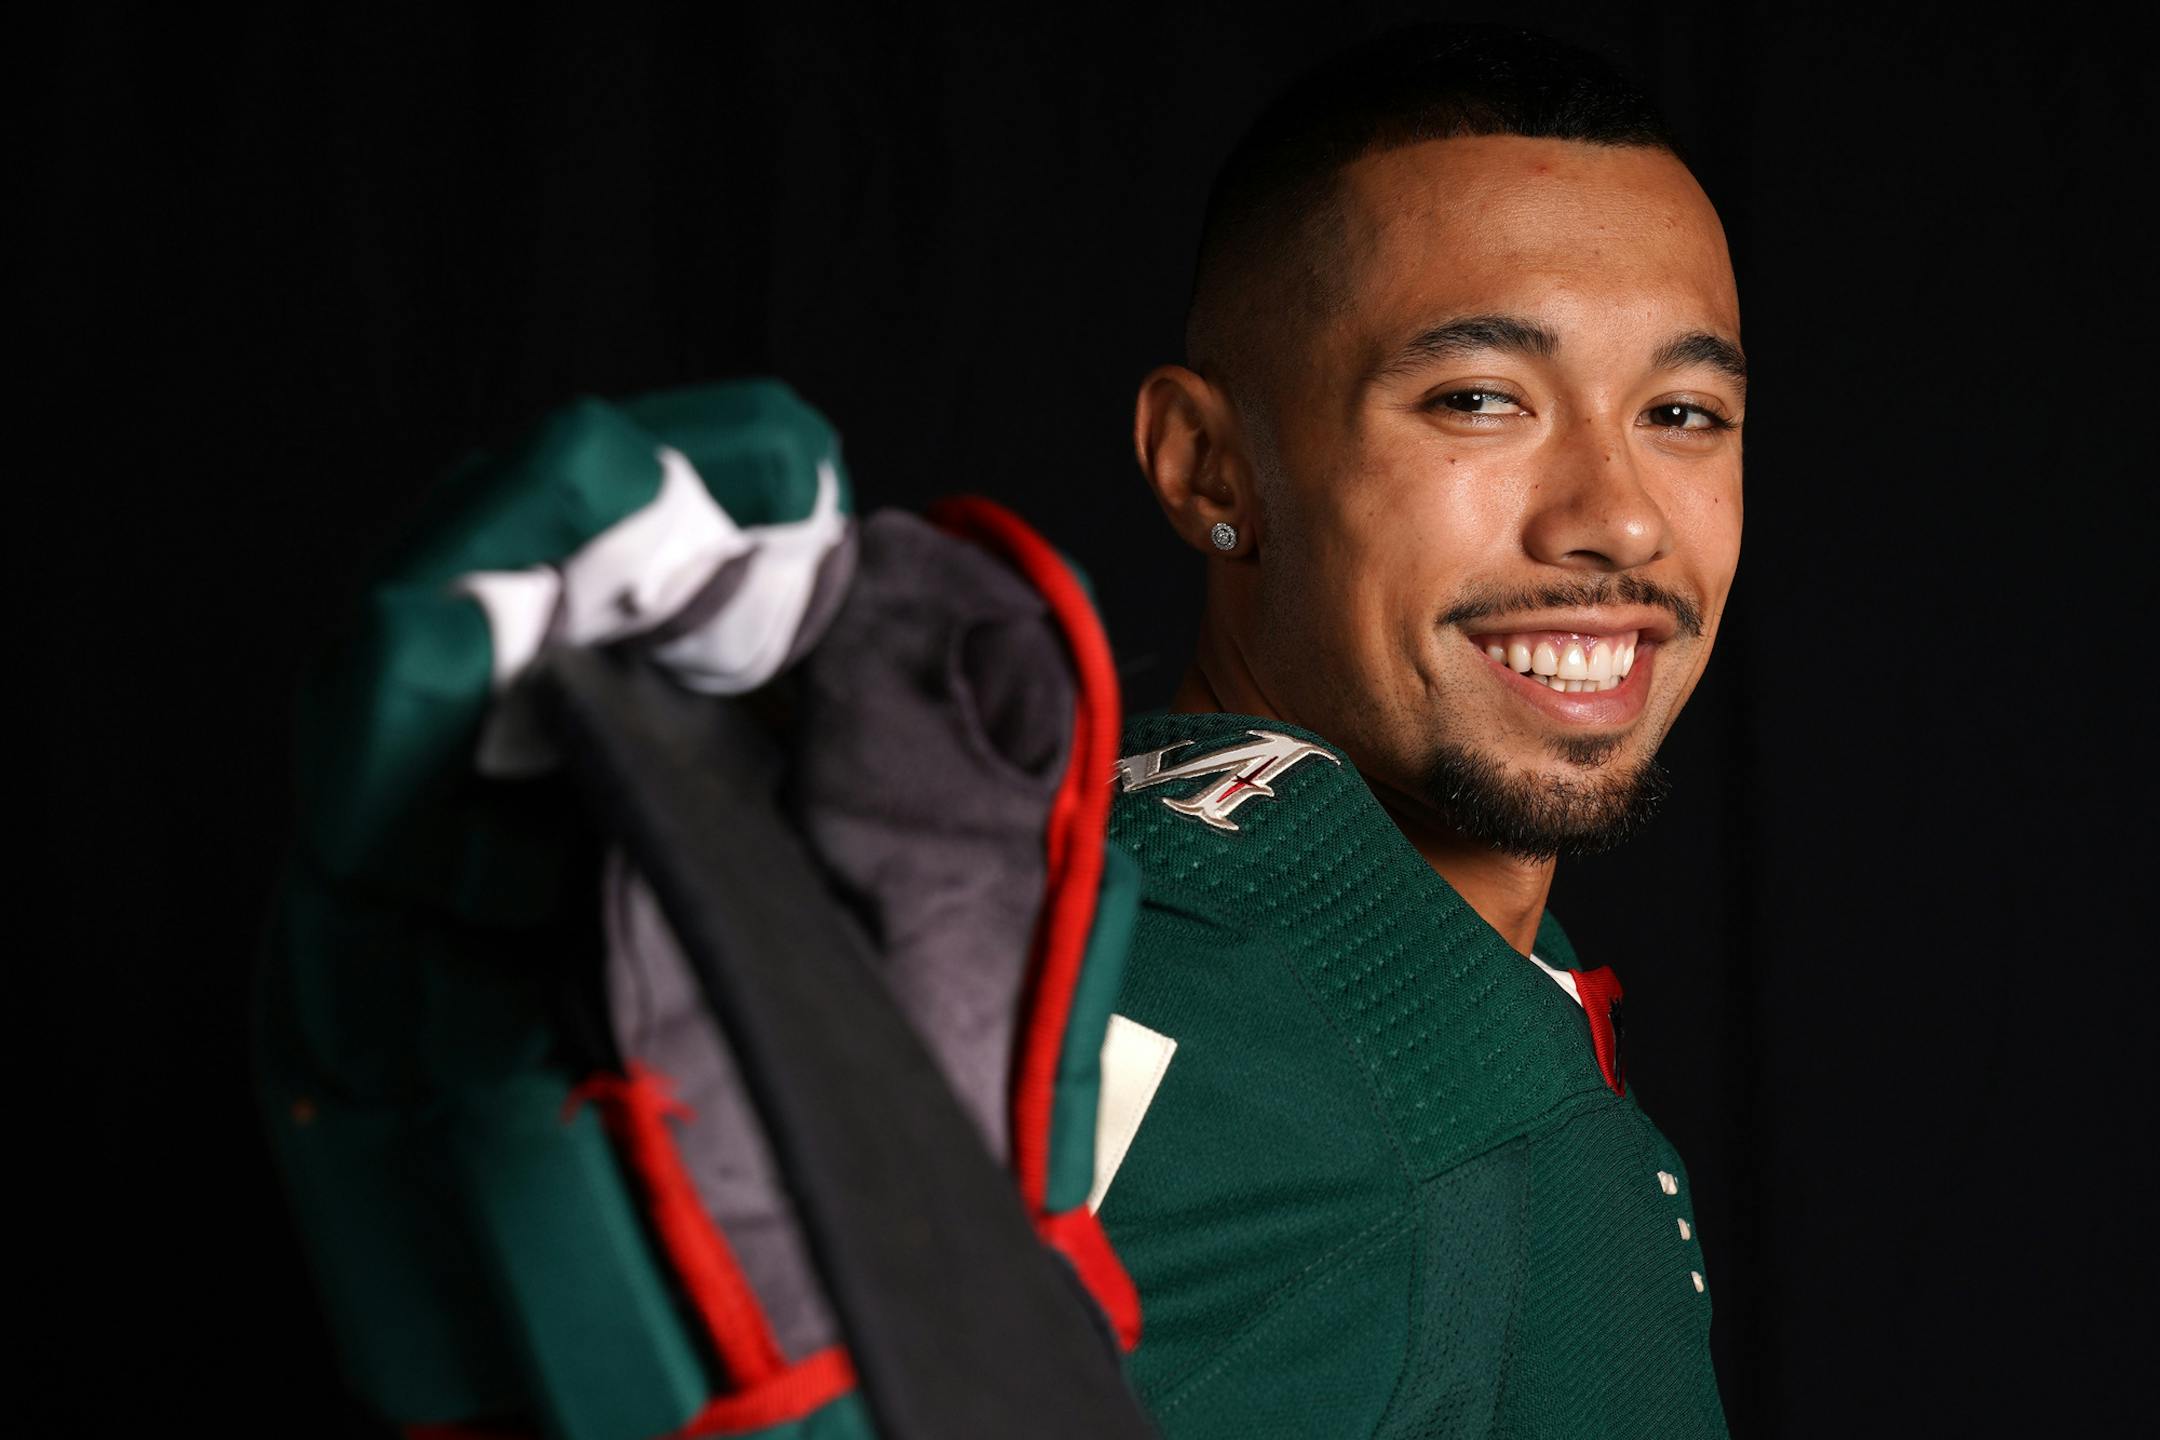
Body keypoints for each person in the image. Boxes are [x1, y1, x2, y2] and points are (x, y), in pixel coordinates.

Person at [1087, 24, 1741, 1437]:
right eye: (1480, 400)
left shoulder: (1139, 871)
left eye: (1683, 412)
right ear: (1211, 466)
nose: (1619, 518)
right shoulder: (1335, 1072)